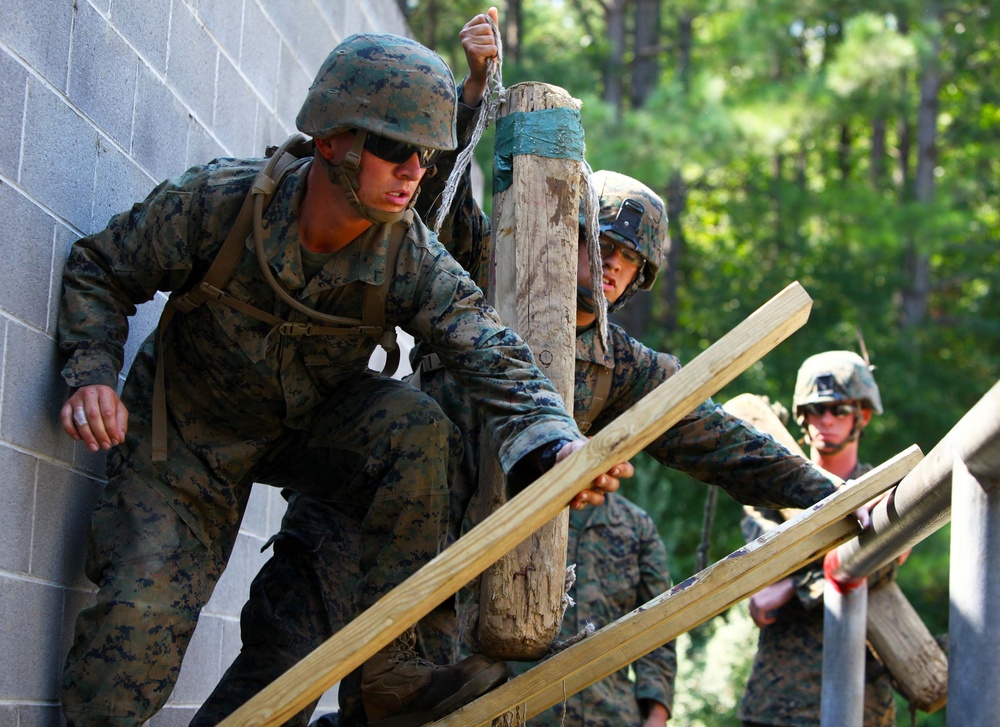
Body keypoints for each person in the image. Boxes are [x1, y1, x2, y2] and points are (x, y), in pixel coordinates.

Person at [56, 29, 634, 727]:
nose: (414, 170)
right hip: (184, 442)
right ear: (332, 140)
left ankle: (393, 672)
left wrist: (554, 445)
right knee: (130, 648)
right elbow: (100, 267)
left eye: (423, 153)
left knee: (418, 431)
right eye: (395, 148)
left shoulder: (409, 255)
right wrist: (91, 370)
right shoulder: (223, 202)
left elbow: (489, 349)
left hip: (304, 428)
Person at [738, 350, 898, 726]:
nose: (826, 420)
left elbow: (880, 563)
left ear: (862, 416)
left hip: (863, 698)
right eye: (815, 409)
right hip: (780, 698)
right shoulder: (769, 492)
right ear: (801, 417)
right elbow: (767, 558)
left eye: (839, 409)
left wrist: (793, 587)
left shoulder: (885, 492)